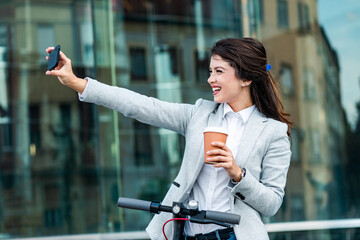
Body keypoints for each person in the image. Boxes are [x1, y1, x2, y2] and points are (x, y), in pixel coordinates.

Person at [45, 37, 292, 240]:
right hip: (186, 234)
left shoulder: (273, 132)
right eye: (210, 71)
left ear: (246, 78)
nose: (210, 79)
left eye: (219, 71)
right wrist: (77, 83)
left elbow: (271, 204)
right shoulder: (200, 114)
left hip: (234, 236)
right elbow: (141, 106)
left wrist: (238, 173)